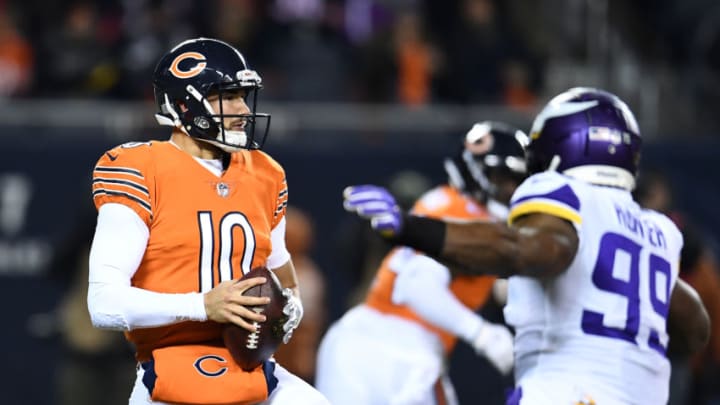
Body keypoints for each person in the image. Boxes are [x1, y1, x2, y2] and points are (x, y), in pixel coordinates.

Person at [343, 87, 711, 404]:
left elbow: (531, 250)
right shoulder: (656, 230)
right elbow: (695, 329)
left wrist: (411, 227)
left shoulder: (563, 193)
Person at [87, 37, 329, 405]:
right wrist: (203, 305)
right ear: (184, 104)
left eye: (243, 97)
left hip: (248, 368)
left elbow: (282, 273)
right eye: (229, 96)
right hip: (169, 372)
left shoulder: (266, 173)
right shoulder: (140, 169)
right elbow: (103, 303)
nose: (242, 110)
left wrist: (289, 307)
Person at [317, 121, 528, 404]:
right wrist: (483, 335)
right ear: (478, 173)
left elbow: (462, 277)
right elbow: (415, 284)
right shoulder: (467, 215)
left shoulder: (447, 203)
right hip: (400, 350)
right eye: (505, 179)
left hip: (361, 340)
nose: (512, 189)